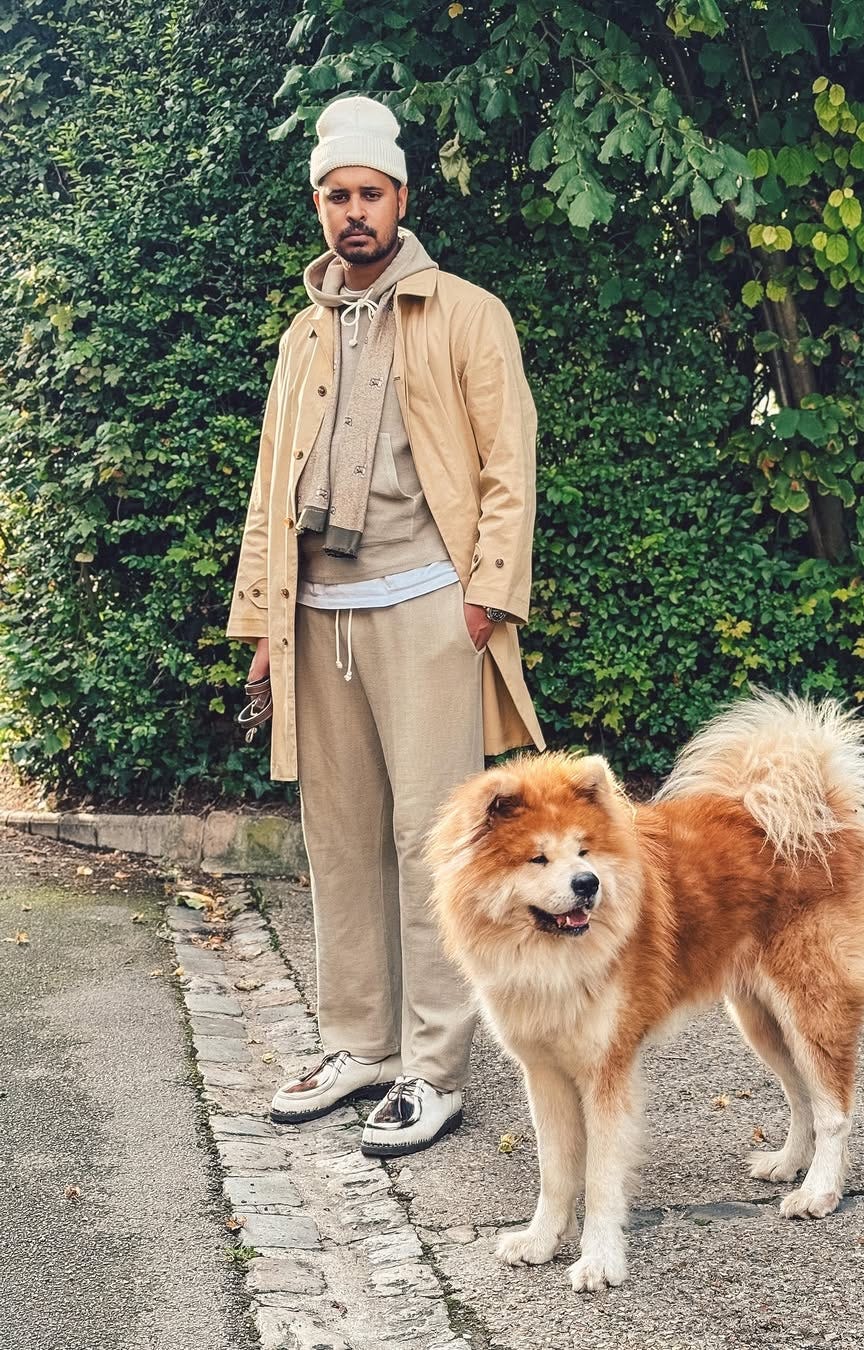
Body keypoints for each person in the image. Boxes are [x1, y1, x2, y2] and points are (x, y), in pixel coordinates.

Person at [226, 94, 544, 1157]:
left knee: (434, 842)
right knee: (341, 839)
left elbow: (510, 468)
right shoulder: (301, 337)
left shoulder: (465, 312)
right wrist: (267, 620)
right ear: (317, 206)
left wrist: (485, 599)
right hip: (319, 619)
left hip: (428, 611)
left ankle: (433, 1066)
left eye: (369, 193)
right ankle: (357, 1043)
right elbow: (274, 483)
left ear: (400, 198)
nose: (352, 212)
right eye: (335, 196)